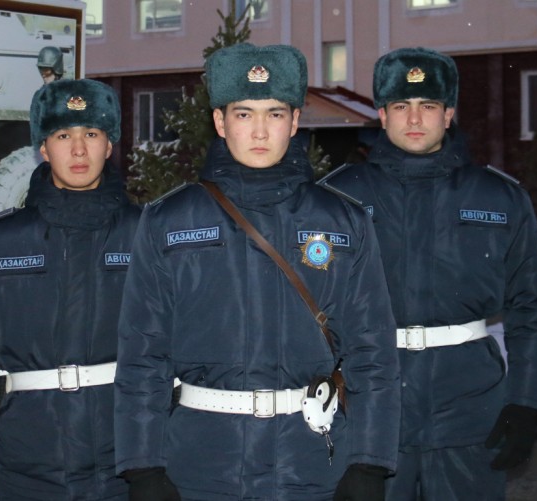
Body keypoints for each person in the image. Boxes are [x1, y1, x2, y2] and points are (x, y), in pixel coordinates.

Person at [114, 43, 400, 501]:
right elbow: (142, 355)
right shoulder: (169, 220)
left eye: (275, 113)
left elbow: (373, 352)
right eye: (244, 114)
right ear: (220, 122)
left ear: (295, 121)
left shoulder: (343, 220)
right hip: (202, 461)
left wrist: (370, 461)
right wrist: (142, 465)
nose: (261, 130)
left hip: (311, 459)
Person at [319, 47, 537, 500]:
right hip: (368, 411)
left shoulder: (498, 197)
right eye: (401, 106)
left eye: (428, 105)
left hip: (469, 409)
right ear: (382, 114)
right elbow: (300, 310)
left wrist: (528, 401)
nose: (415, 119)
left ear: (448, 114)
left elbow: (534, 307)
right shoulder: (334, 198)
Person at [0, 79, 141, 500]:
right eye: (63, 136)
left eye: (92, 134)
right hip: (28, 463)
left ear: (109, 145)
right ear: (43, 147)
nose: (78, 150)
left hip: (126, 466)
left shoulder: (147, 235)